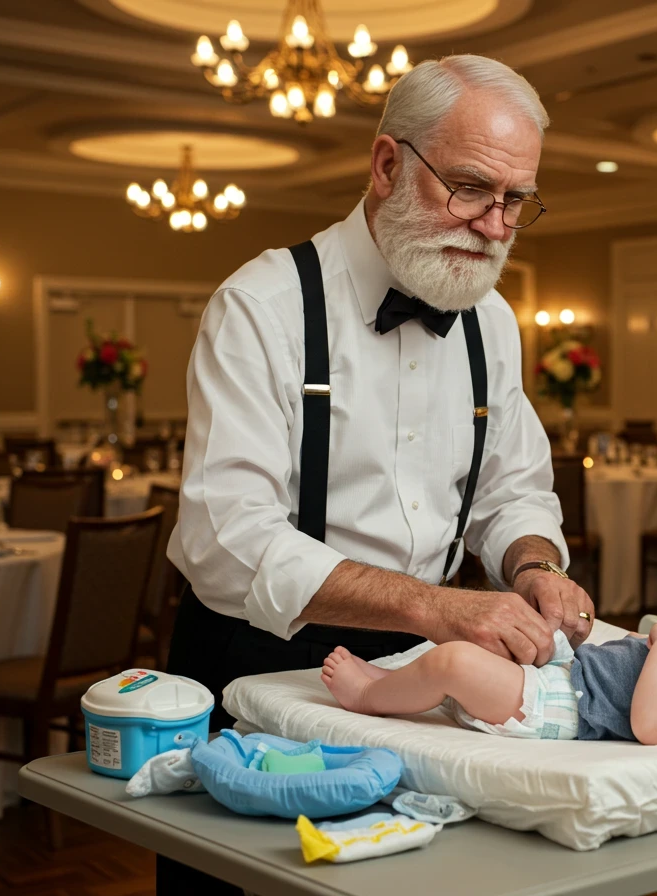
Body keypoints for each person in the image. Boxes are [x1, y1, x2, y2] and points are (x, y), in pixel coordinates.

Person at [162, 55, 593, 894]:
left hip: (424, 680)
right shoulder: (264, 304)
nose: (496, 227)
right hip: (257, 666)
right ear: (388, 164)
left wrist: (533, 564)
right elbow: (226, 537)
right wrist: (435, 605)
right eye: (470, 189)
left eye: (516, 202)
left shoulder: (491, 322)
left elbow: (512, 492)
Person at [321, 592, 657, 744]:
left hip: (562, 708)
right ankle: (391, 686)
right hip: (572, 676)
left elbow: (656, 724)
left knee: (455, 662)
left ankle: (368, 698)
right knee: (490, 636)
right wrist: (650, 644)